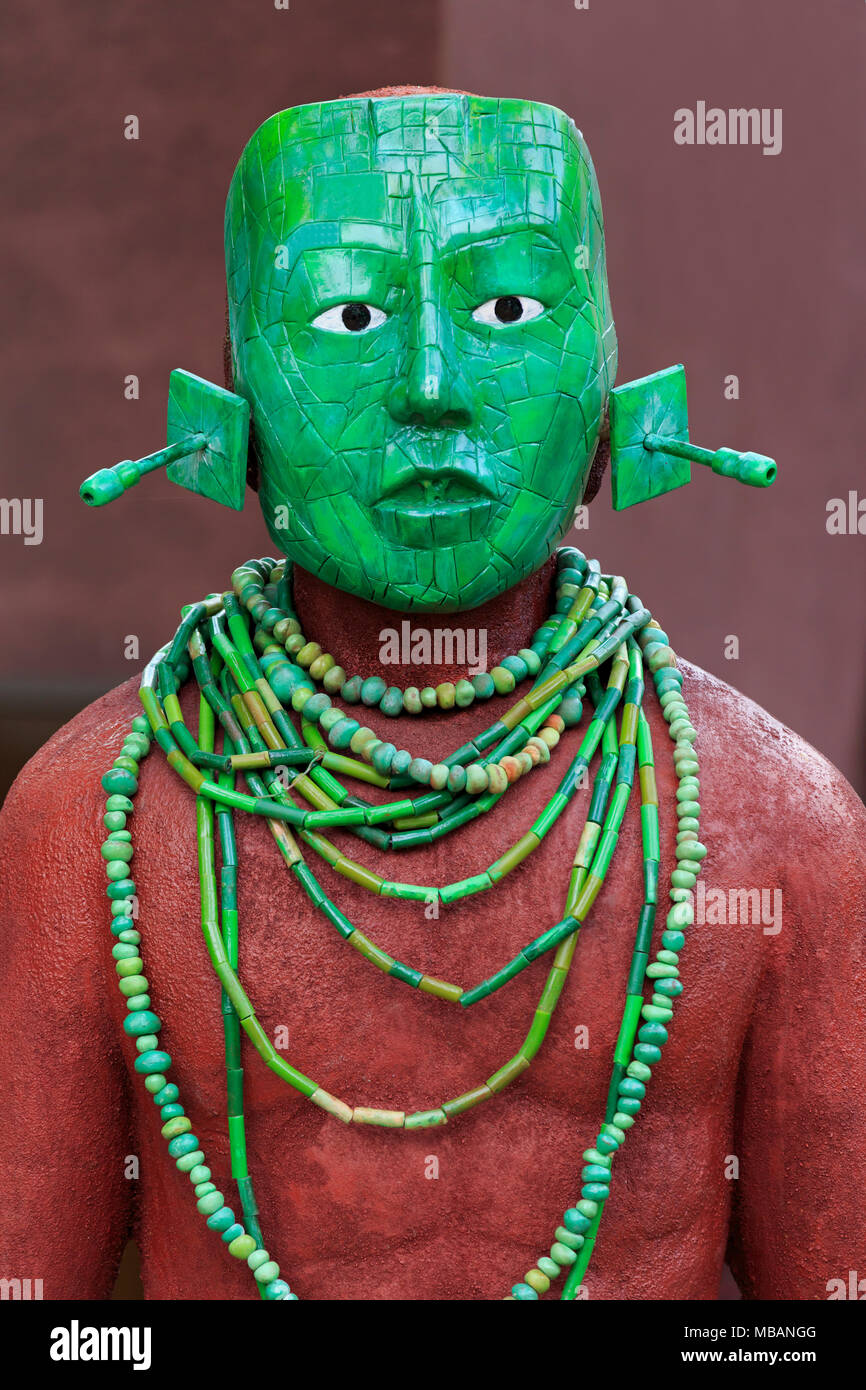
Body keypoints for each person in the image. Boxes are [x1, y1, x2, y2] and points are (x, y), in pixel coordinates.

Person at [1, 89, 863, 1301]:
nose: (428, 387)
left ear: (612, 381)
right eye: (348, 314)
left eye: (506, 307)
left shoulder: (778, 833)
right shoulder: (94, 821)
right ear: (229, 400)